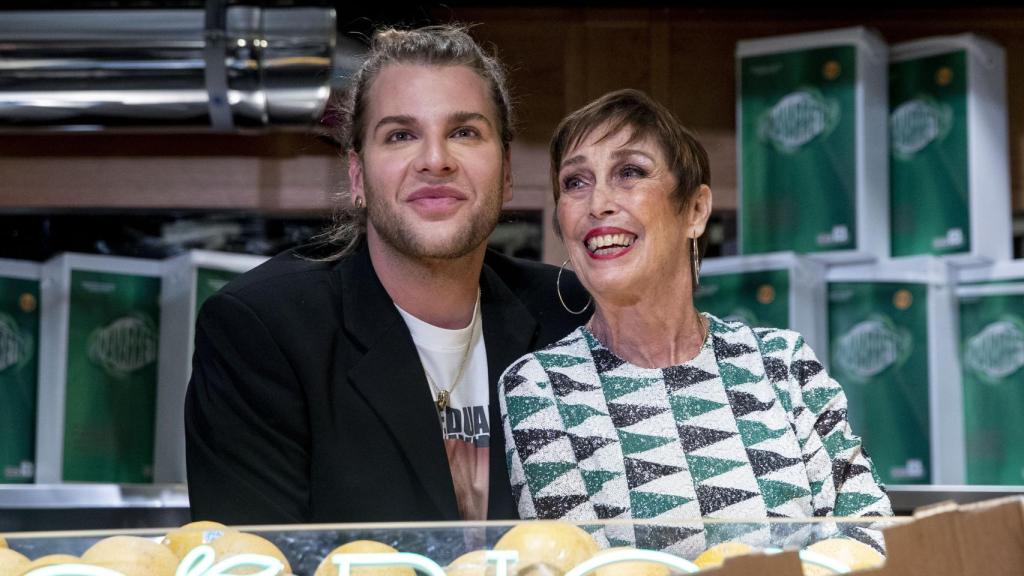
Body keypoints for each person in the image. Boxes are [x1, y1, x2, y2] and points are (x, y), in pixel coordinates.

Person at [184, 24, 589, 525]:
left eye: (464, 132)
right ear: (357, 177)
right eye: (400, 135)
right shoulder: (262, 329)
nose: (435, 160)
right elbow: (251, 561)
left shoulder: (571, 314)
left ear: (506, 172)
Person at [498, 89, 892, 556]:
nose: (598, 201)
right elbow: (581, 565)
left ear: (696, 211)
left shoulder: (783, 364)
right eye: (575, 182)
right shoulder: (540, 386)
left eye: (630, 172)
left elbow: (871, 541)